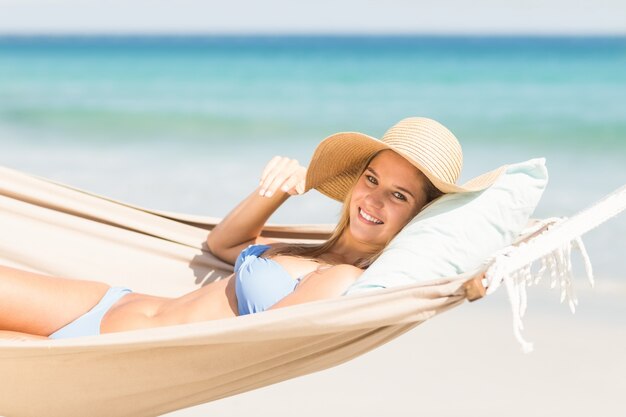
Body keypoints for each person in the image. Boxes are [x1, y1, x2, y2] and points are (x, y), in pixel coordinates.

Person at [0, 117, 501, 340]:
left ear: (417, 216)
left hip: (114, 350)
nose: (374, 199)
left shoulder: (351, 282)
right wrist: (276, 191)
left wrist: (455, 287)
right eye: (372, 179)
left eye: (399, 196)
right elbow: (225, 245)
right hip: (109, 301)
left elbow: (265, 334)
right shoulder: (311, 252)